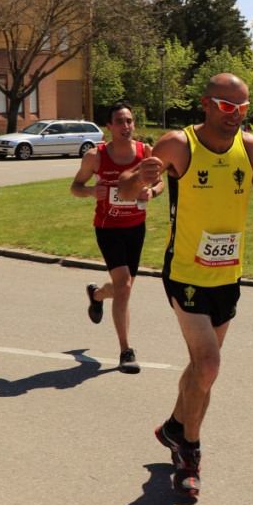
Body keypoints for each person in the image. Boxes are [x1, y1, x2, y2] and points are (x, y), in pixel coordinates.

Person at [121, 73, 253, 498]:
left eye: (244, 109)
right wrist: (141, 177)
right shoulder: (178, 144)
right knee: (209, 365)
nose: (236, 117)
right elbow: (127, 189)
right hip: (185, 273)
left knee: (201, 370)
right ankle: (189, 454)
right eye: (227, 107)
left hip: (228, 275)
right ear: (207, 104)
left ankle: (176, 427)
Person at [70, 101, 162, 374]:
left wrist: (152, 193)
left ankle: (97, 294)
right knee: (124, 285)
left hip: (136, 227)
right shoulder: (95, 156)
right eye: (120, 122)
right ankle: (125, 351)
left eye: (129, 121)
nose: (126, 126)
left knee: (124, 286)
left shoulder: (146, 152)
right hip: (108, 227)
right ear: (108, 127)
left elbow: (159, 182)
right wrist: (90, 192)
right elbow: (75, 186)